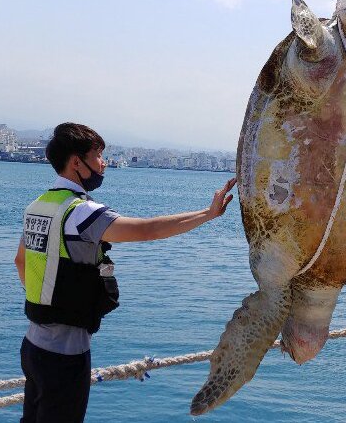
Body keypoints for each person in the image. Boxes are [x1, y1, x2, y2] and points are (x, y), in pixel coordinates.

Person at [14, 122, 236, 422]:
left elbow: (21, 261)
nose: (103, 163)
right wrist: (207, 215)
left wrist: (48, 304)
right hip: (65, 354)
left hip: (32, 346)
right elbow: (148, 230)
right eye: (97, 156)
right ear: (76, 162)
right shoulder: (80, 213)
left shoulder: (37, 207)